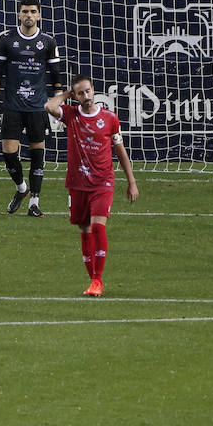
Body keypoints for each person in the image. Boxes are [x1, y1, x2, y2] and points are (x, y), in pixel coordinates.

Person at [45, 76, 139, 298]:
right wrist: (68, 93)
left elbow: (120, 151)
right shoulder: (71, 115)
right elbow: (49, 106)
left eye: (88, 92)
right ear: (75, 96)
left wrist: (131, 182)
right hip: (77, 184)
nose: (86, 97)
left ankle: (98, 280)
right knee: (85, 231)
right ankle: (93, 280)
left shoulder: (109, 119)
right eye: (80, 93)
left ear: (94, 91)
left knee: (98, 228)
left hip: (102, 182)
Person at [0, 0, 63, 217]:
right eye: (24, 11)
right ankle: (22, 189)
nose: (29, 15)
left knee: (37, 152)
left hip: (38, 107)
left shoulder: (48, 42)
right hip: (12, 105)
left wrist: (58, 105)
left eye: (33, 11)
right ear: (19, 14)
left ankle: (34, 203)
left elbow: (56, 75)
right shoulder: (7, 40)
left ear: (39, 15)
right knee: (9, 153)